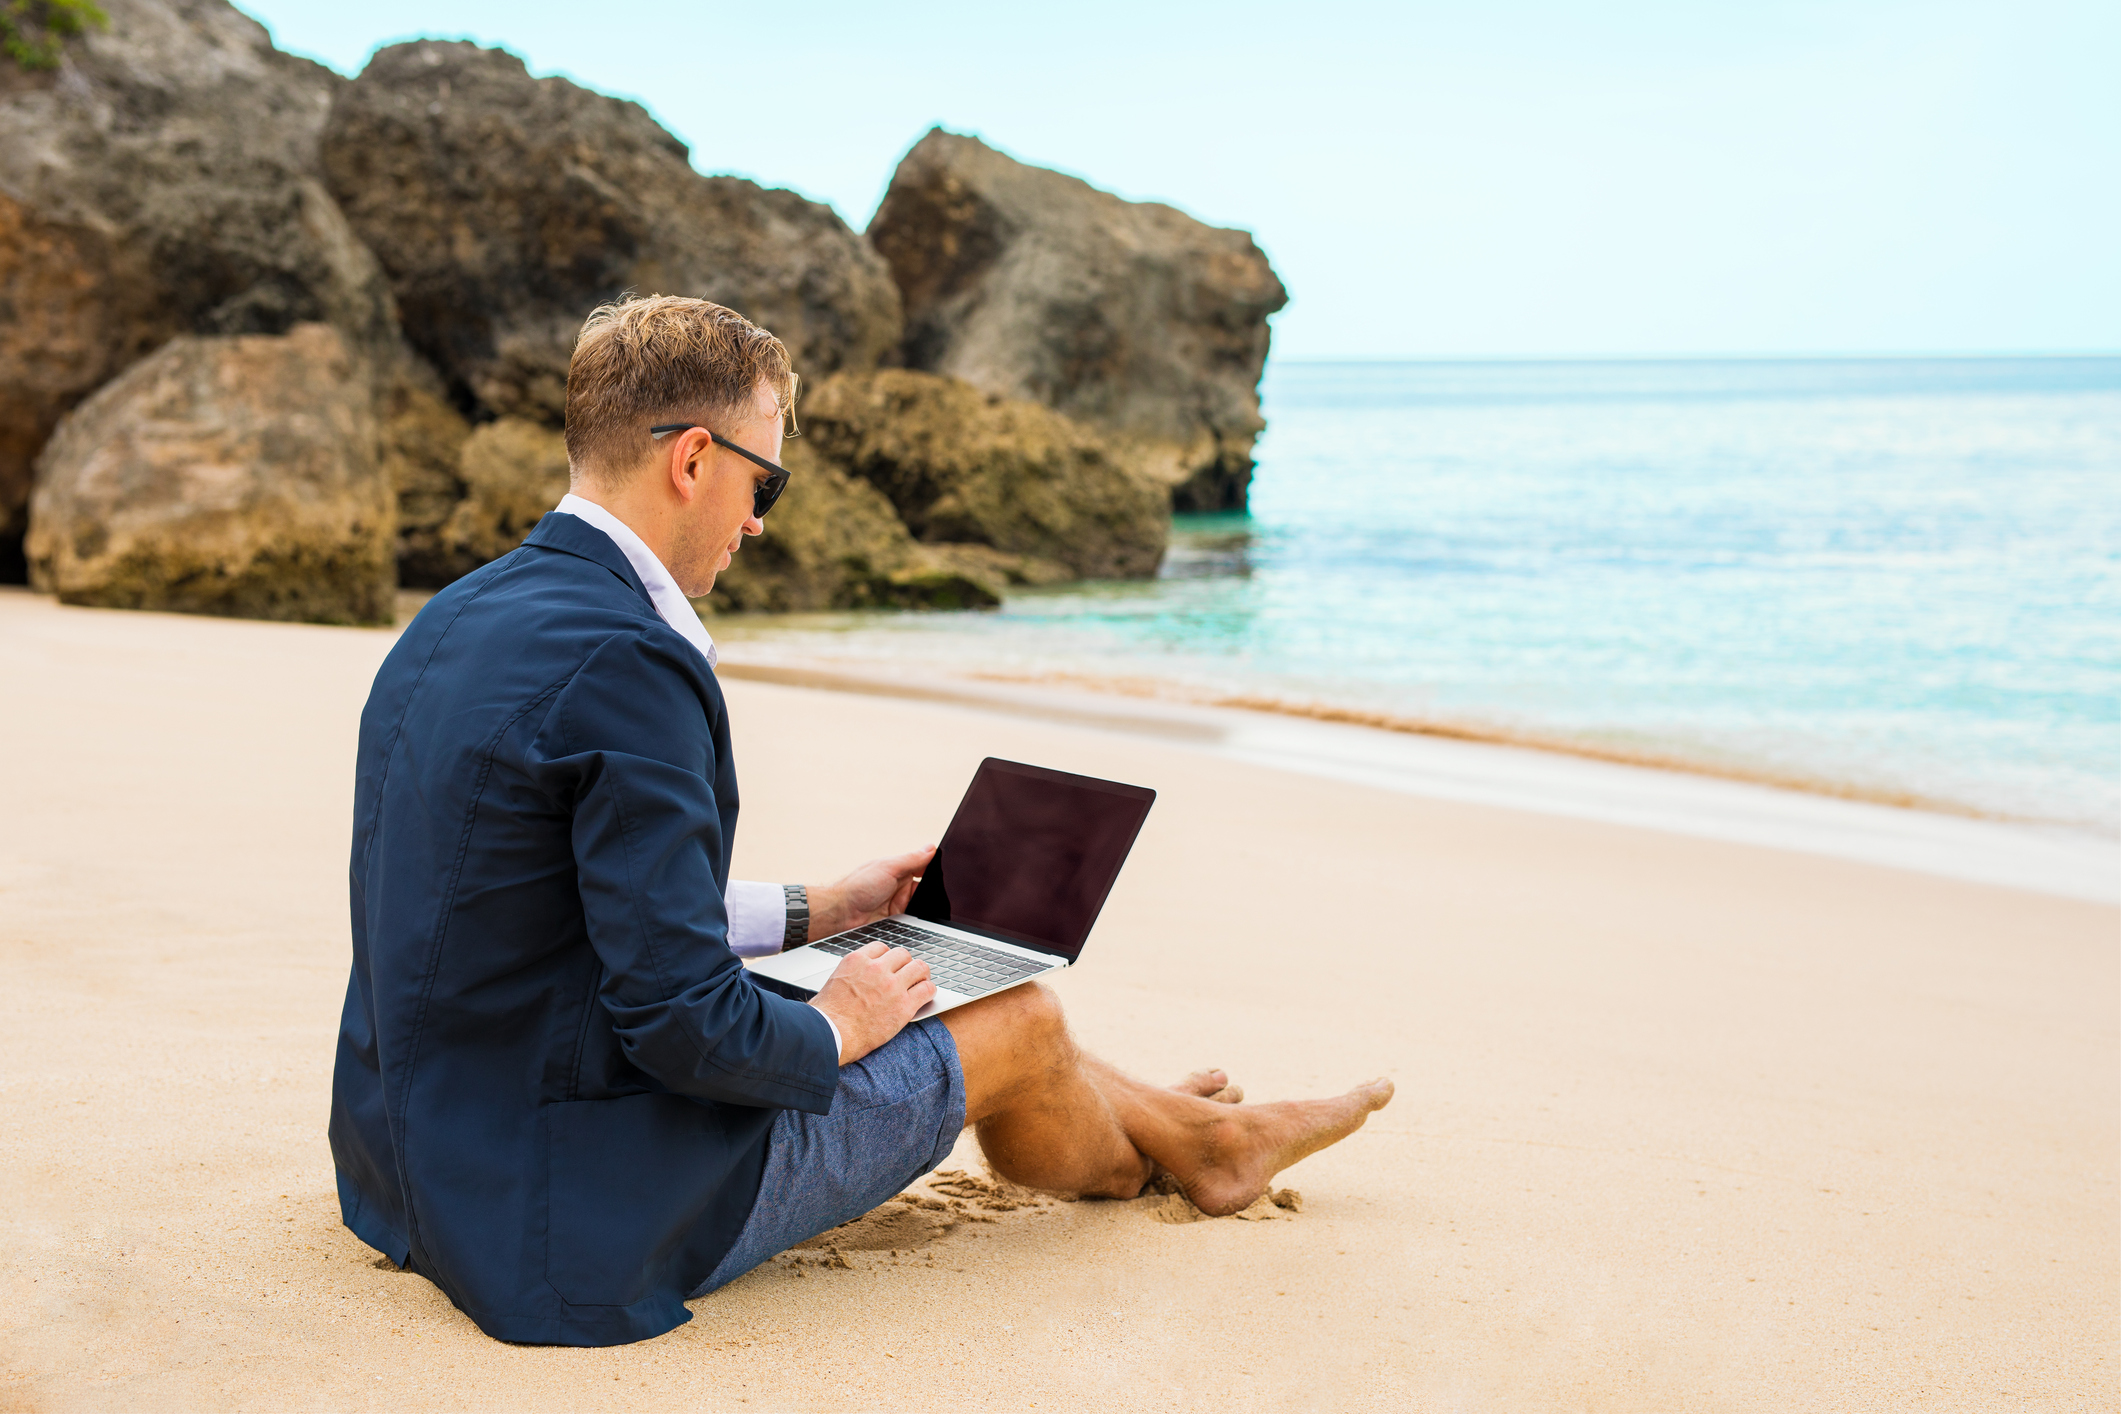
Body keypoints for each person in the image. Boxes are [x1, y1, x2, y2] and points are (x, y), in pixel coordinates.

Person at [329, 294, 1393, 1347]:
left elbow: (557, 899)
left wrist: (820, 910)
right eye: (763, 482)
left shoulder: (454, 618)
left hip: (416, 1163)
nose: (755, 521)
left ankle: (1174, 1119)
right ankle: (1188, 1152)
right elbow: (681, 1024)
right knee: (1019, 1017)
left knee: (924, 978)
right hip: (573, 1216)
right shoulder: (635, 662)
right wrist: (843, 1020)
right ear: (692, 460)